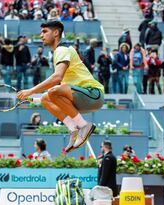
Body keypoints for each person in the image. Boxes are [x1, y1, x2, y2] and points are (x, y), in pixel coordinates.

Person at [17, 21, 104, 153]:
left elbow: (57, 78)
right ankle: (74, 129)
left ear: (56, 32)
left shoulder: (62, 49)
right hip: (80, 98)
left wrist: (30, 91)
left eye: (45, 31)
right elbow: (53, 95)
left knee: (53, 91)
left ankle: (84, 126)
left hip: (93, 94)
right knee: (46, 98)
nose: (41, 35)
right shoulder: (59, 52)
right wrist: (32, 99)